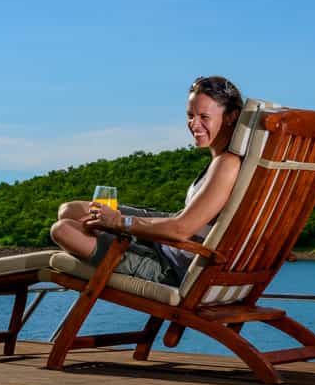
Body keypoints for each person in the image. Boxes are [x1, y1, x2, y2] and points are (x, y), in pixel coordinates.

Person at [50, 76, 245, 285]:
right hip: (168, 239)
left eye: (204, 117)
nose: (194, 124)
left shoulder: (227, 164)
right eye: (190, 115)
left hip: (171, 267)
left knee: (63, 230)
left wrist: (118, 222)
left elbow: (181, 229)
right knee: (70, 210)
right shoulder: (223, 160)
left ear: (230, 116)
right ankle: (114, 236)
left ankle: (117, 240)